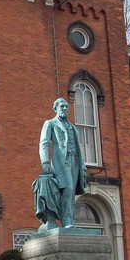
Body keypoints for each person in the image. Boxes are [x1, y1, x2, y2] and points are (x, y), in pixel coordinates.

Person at [38, 97, 87, 229]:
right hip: (61, 162)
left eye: (66, 106)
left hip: (74, 162)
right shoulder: (50, 123)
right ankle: (66, 221)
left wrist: (82, 166)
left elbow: (78, 149)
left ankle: (69, 221)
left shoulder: (73, 128)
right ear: (55, 108)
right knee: (68, 188)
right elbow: (44, 144)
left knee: (71, 194)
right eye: (62, 106)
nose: (65, 109)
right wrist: (45, 162)